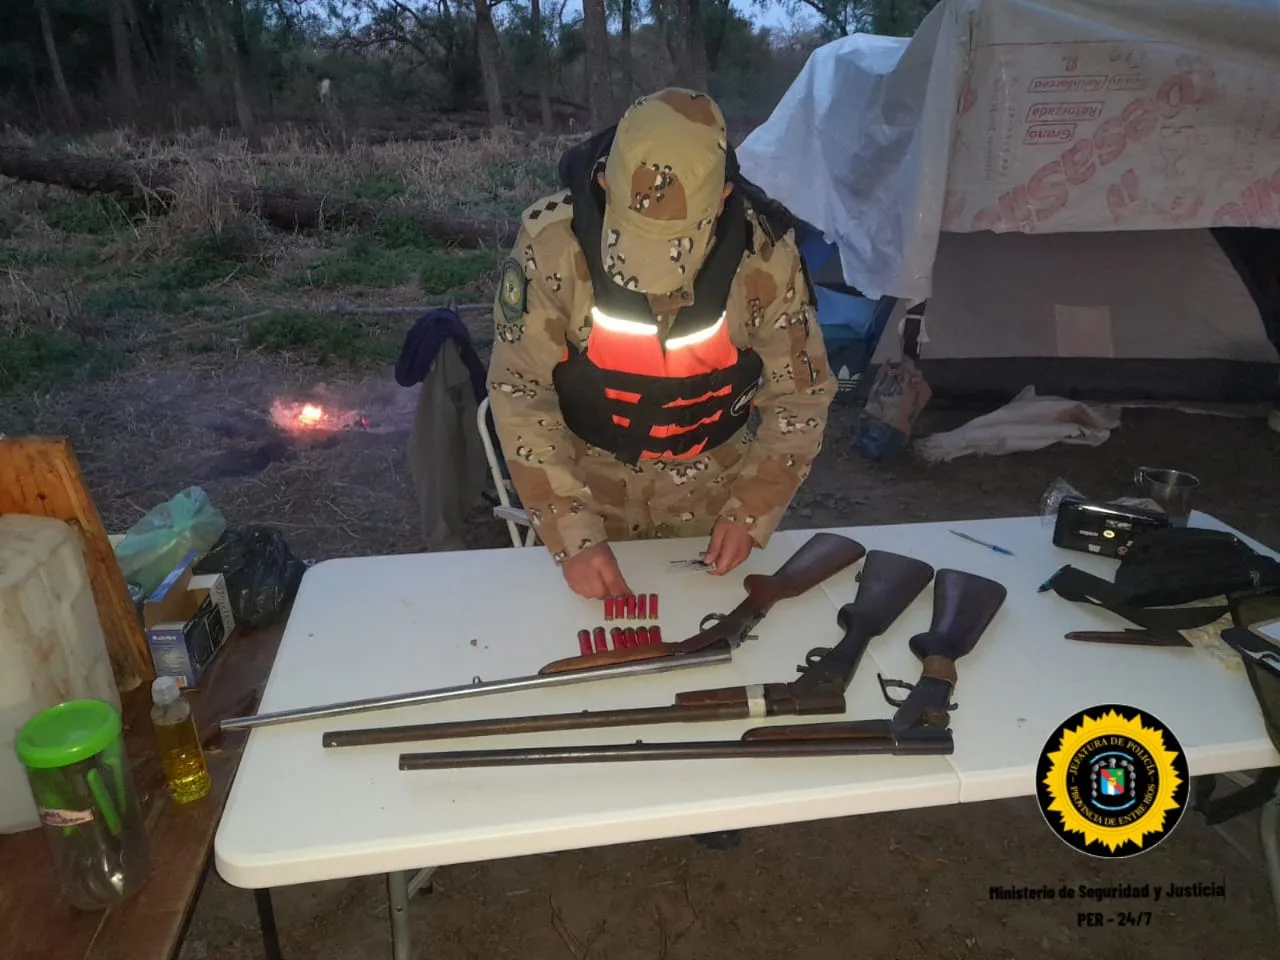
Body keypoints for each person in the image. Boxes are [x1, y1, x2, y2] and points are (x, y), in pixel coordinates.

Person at [486, 87, 834, 599]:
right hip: (585, 491)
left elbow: (801, 396)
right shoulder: (553, 245)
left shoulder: (765, 257)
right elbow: (520, 390)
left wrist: (750, 510)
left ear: (723, 198)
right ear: (605, 183)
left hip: (713, 502)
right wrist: (571, 533)